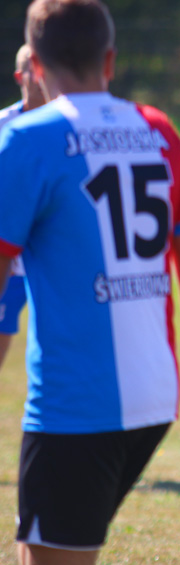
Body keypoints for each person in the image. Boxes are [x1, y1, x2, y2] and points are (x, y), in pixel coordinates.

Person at [0, 1, 180, 565]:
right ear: (110, 59)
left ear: (36, 65)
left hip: (76, 403)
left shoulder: (27, 140)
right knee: (38, 544)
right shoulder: (155, 128)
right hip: (155, 395)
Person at [0, 44, 45, 371]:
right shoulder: (4, 128)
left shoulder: (73, 127)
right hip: (9, 265)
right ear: (21, 76)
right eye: (33, 67)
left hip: (54, 263)